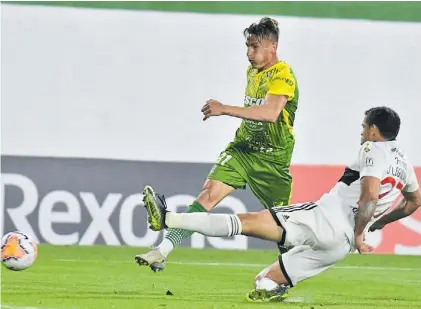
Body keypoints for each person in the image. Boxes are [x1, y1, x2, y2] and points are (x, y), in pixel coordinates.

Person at [139, 106, 420, 301]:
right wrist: (377, 224)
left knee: (245, 223)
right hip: (338, 248)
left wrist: (360, 233)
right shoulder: (404, 165)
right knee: (264, 280)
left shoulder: (372, 148)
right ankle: (271, 288)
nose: (361, 132)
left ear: (373, 129)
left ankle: (166, 219)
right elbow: (413, 202)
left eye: (363, 126)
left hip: (325, 220)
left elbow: (369, 194)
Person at [136, 16, 300, 272]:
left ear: (272, 47)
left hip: (273, 160)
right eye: (247, 46)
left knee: (282, 229)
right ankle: (161, 251)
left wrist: (224, 108)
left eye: (255, 47)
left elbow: (270, 113)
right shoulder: (253, 70)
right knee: (208, 194)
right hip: (244, 149)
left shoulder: (283, 75)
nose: (249, 53)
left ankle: (292, 271)